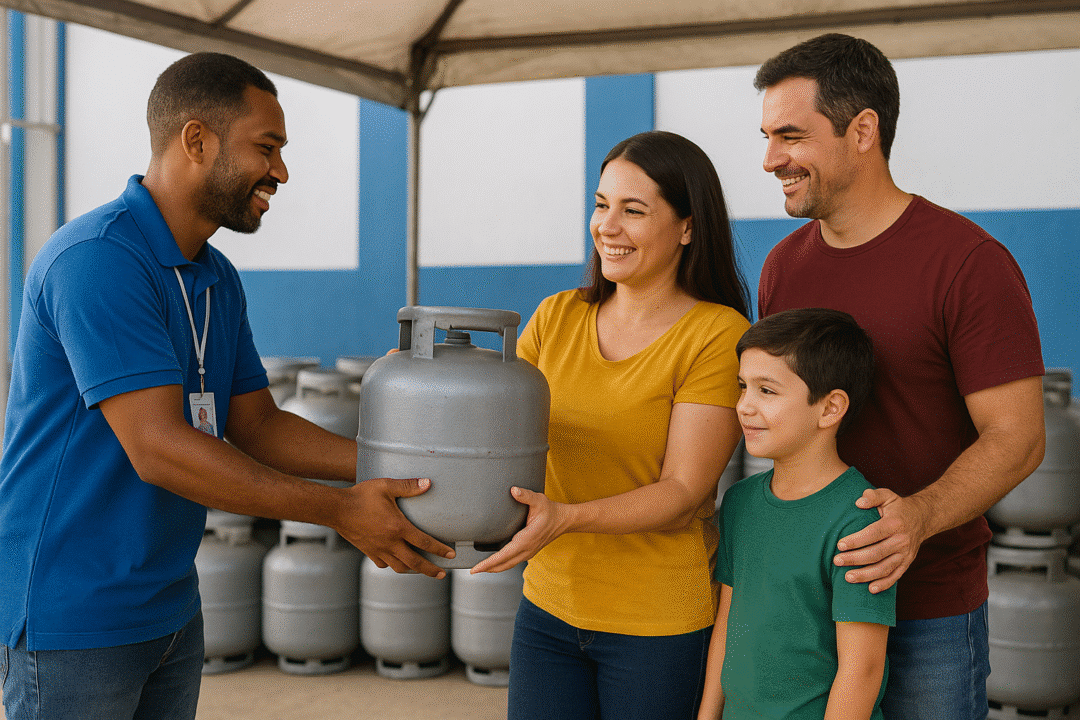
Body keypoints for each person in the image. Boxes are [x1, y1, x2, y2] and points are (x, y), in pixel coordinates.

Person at [0, 52, 452, 720]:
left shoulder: (215, 277)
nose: (281, 171)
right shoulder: (97, 261)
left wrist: (401, 470)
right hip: (76, 617)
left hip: (171, 609)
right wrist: (340, 511)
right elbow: (159, 448)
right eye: (266, 148)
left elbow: (258, 425)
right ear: (197, 140)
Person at [754, 34, 1046, 718]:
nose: (770, 160)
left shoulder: (968, 263)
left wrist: (918, 518)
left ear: (863, 131)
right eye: (767, 138)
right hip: (807, 606)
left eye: (791, 137)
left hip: (927, 613)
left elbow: (1019, 437)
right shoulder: (782, 269)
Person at [471, 130, 751, 719]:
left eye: (634, 210)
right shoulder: (557, 316)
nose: (607, 226)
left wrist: (565, 518)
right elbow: (496, 425)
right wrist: (426, 379)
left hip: (657, 626)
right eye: (601, 205)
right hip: (548, 608)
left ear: (688, 227)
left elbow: (682, 493)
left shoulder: (717, 335)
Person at [698, 308, 896, 720]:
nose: (744, 406)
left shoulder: (859, 518)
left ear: (830, 408)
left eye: (766, 391)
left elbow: (862, 669)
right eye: (743, 387)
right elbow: (727, 627)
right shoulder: (739, 502)